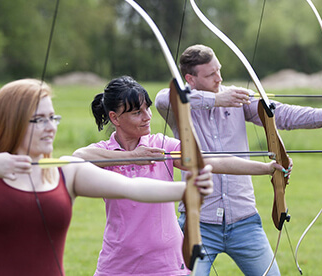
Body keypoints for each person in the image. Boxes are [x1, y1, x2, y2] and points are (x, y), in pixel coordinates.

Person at [0, 78, 215, 276]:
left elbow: (132, 187)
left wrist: (186, 188)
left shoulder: (65, 170)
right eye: (38, 119)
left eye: (52, 117)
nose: (50, 126)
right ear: (14, 121)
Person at [155, 44, 322, 276]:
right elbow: (163, 98)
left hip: (244, 221)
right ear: (190, 78)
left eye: (219, 70)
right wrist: (216, 100)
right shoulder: (179, 105)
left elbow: (280, 113)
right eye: (210, 75)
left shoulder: (238, 97)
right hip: (199, 224)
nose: (219, 78)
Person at [72, 75, 291, 276]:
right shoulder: (105, 152)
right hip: (118, 261)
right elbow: (78, 157)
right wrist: (131, 156)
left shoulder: (162, 146)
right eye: (137, 112)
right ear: (115, 118)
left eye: (147, 109)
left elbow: (212, 160)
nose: (147, 117)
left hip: (167, 262)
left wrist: (266, 168)